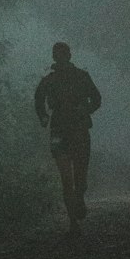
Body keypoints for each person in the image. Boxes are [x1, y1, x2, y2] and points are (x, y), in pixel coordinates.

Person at [34, 42, 101, 234]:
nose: (61, 57)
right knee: (66, 179)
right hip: (59, 132)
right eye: (58, 54)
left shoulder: (81, 76)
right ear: (54, 57)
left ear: (69, 56)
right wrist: (43, 116)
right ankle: (73, 222)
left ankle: (78, 199)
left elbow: (96, 99)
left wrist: (85, 109)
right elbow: (38, 100)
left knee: (79, 178)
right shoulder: (49, 80)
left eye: (63, 53)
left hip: (79, 129)